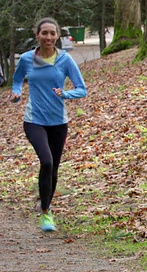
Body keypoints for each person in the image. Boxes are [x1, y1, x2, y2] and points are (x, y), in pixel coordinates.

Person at [8, 17, 87, 232]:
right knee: (47, 161)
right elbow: (17, 79)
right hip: (34, 120)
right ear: (37, 35)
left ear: (57, 36)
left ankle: (47, 206)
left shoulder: (65, 60)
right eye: (44, 33)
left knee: (53, 170)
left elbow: (82, 88)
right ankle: (45, 212)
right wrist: (16, 92)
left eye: (52, 33)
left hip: (58, 122)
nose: (49, 37)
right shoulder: (26, 59)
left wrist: (66, 94)